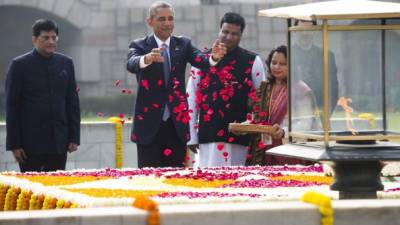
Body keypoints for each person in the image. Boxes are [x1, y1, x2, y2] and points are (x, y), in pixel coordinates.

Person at [126, 1, 226, 168]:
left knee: (176, 176)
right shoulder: (140, 45)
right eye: (162, 19)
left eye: (170, 18)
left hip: (176, 125)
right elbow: (131, 63)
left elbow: (201, 60)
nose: (167, 23)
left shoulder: (183, 44)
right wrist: (147, 58)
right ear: (150, 22)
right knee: (148, 178)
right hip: (149, 126)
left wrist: (213, 58)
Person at [187, 12, 265, 167]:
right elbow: (191, 98)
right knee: (210, 183)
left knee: (239, 184)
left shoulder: (252, 60)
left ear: (241, 35)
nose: (228, 37)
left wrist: (254, 128)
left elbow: (262, 99)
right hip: (209, 135)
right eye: (225, 32)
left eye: (234, 33)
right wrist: (191, 136)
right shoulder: (202, 59)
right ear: (219, 31)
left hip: (241, 136)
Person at [5, 19, 81, 172]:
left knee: (56, 189)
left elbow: (72, 102)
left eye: (54, 37)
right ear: (34, 39)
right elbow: (12, 106)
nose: (51, 41)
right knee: (32, 193)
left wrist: (74, 137)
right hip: (29, 145)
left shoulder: (66, 63)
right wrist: (14, 144)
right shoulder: (19, 65)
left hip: (59, 142)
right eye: (45, 38)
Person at [246, 45, 317, 166]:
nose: (276, 67)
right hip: (264, 150)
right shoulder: (265, 87)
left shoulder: (300, 89)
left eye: (282, 64)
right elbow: (256, 118)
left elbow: (306, 123)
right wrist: (244, 127)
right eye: (274, 63)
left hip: (290, 151)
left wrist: (283, 132)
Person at [292, 20, 338, 116]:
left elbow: (333, 88)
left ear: (315, 32)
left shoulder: (326, 55)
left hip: (321, 112)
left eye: (309, 30)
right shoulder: (286, 54)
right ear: (294, 32)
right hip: (294, 115)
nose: (305, 34)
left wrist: (327, 114)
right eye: (301, 30)